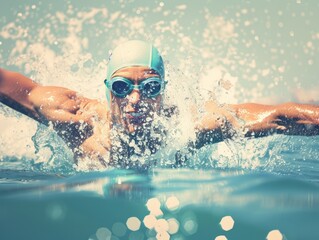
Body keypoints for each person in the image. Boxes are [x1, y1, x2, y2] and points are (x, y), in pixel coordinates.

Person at [0, 40, 318, 169]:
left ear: (164, 92)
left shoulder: (187, 128)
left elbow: (279, 117)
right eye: (122, 87)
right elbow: (12, 88)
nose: (135, 99)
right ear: (108, 89)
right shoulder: (78, 120)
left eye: (150, 87)